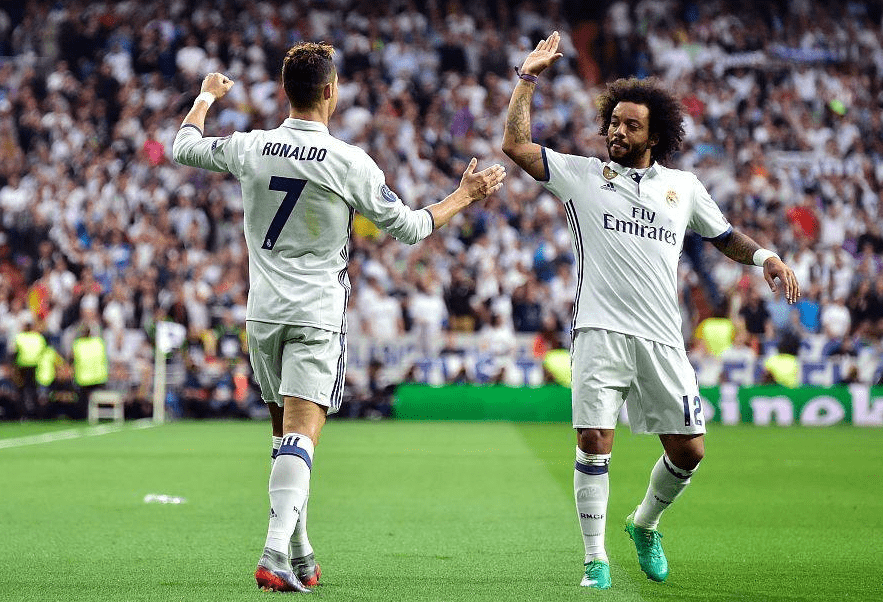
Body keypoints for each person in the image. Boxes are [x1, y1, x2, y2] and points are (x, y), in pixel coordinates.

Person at [172, 42, 505, 593]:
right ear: (331, 91)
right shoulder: (348, 161)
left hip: (263, 315)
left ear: (285, 91)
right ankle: (274, 553)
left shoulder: (251, 145)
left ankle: (299, 550)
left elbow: (183, 146)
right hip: (316, 314)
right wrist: (463, 196)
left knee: (286, 439)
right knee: (302, 437)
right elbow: (411, 228)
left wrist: (207, 96)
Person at [501, 32, 800, 590]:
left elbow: (724, 236)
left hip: (662, 336)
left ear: (654, 136)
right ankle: (595, 560)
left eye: (630, 125)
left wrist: (766, 257)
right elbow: (515, 146)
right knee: (594, 441)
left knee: (689, 451)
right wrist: (527, 78)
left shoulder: (683, 187)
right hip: (599, 329)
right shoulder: (582, 175)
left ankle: (644, 524)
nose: (617, 131)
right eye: (613, 122)